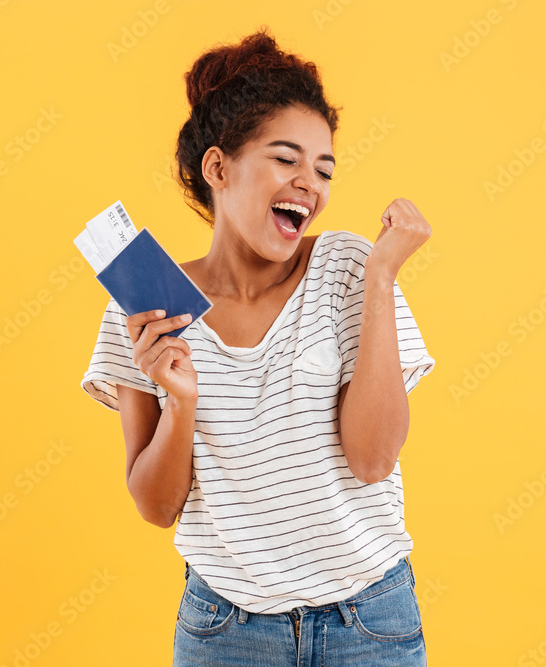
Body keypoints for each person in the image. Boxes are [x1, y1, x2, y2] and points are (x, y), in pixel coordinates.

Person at [80, 26, 436, 666]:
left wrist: (381, 279)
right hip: (226, 633)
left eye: (324, 169)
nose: (310, 183)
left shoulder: (350, 269)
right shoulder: (146, 303)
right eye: (286, 158)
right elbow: (157, 508)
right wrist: (181, 401)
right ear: (218, 167)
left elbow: (373, 459)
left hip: (369, 625)